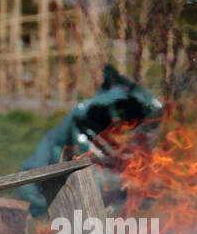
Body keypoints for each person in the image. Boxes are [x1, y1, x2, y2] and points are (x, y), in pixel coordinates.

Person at [18, 64, 163, 215]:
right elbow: (86, 178)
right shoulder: (82, 126)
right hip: (41, 195)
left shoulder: (109, 134)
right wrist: (128, 182)